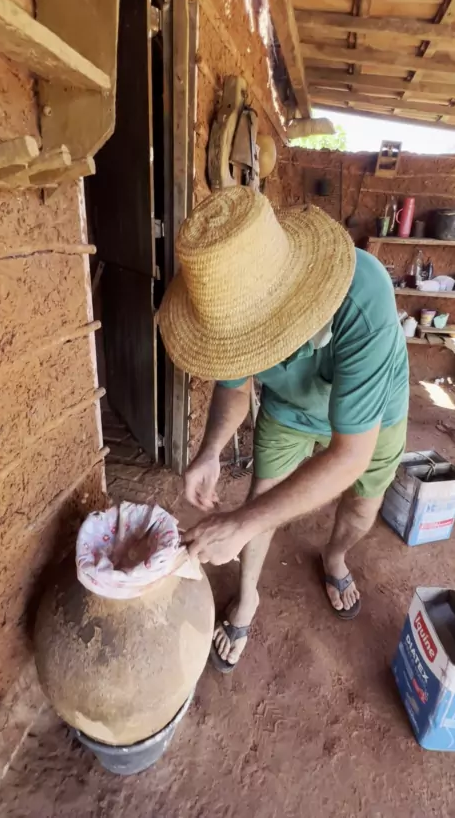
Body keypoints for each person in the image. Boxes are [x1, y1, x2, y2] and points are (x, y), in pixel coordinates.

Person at [158, 187, 409, 673]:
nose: (249, 353)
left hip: (375, 415)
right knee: (262, 500)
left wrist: (240, 523)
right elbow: (234, 389)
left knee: (362, 504)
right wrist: (211, 450)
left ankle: (334, 557)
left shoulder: (364, 297)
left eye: (259, 340)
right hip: (291, 408)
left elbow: (350, 454)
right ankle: (247, 598)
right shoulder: (230, 307)